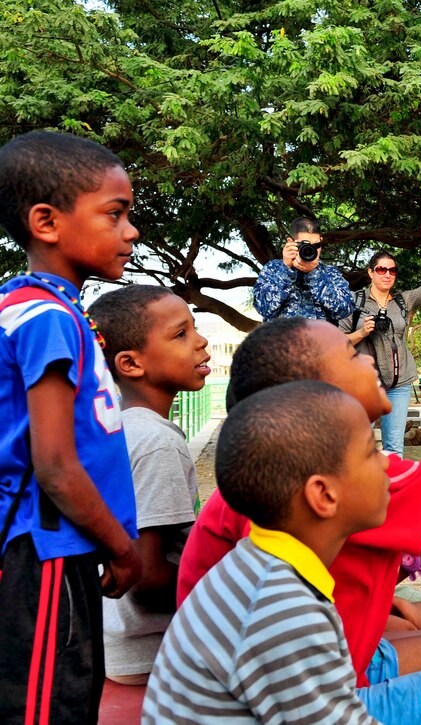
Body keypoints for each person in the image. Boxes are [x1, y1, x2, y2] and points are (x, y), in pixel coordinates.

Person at [178, 250, 421, 724]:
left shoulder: (279, 515)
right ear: (312, 397)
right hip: (315, 690)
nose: (366, 358)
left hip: (319, 675)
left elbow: (343, 585)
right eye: (349, 354)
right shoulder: (280, 605)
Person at [0, 131, 142, 722]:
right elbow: (56, 464)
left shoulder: (42, 309)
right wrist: (124, 548)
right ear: (46, 222)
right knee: (45, 708)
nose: (130, 232)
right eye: (115, 214)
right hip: (49, 554)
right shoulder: (47, 319)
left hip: (60, 552)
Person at [143, 382, 385, 723]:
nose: (388, 465)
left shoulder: (265, 565)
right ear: (324, 495)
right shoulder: (281, 606)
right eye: (372, 453)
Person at [88, 285, 210, 685]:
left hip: (113, 644)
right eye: (181, 335)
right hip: (153, 654)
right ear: (130, 363)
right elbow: (145, 578)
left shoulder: (116, 429)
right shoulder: (156, 442)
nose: (201, 341)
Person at [341, 227, 421, 453]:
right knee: (359, 446)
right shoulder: (354, 302)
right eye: (381, 269)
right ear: (370, 272)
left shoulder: (402, 301)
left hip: (399, 384)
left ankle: (391, 488)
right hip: (364, 384)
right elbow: (337, 343)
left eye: (392, 270)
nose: (387, 274)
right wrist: (361, 333)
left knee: (394, 448)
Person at [253, 216, 354, 322]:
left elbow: (345, 310)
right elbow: (264, 308)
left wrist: (315, 275)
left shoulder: (330, 272)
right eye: (304, 245)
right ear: (290, 242)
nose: (311, 249)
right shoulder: (273, 269)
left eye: (316, 245)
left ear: (321, 241)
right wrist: (285, 269)